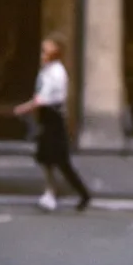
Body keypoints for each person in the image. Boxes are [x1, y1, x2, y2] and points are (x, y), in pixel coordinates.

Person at [14, 34, 91, 213]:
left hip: (53, 119)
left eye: (45, 50)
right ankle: (50, 194)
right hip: (48, 118)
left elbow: (42, 99)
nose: (42, 53)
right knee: (46, 159)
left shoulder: (56, 72)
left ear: (55, 51)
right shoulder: (47, 70)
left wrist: (23, 108)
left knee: (60, 161)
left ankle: (81, 194)